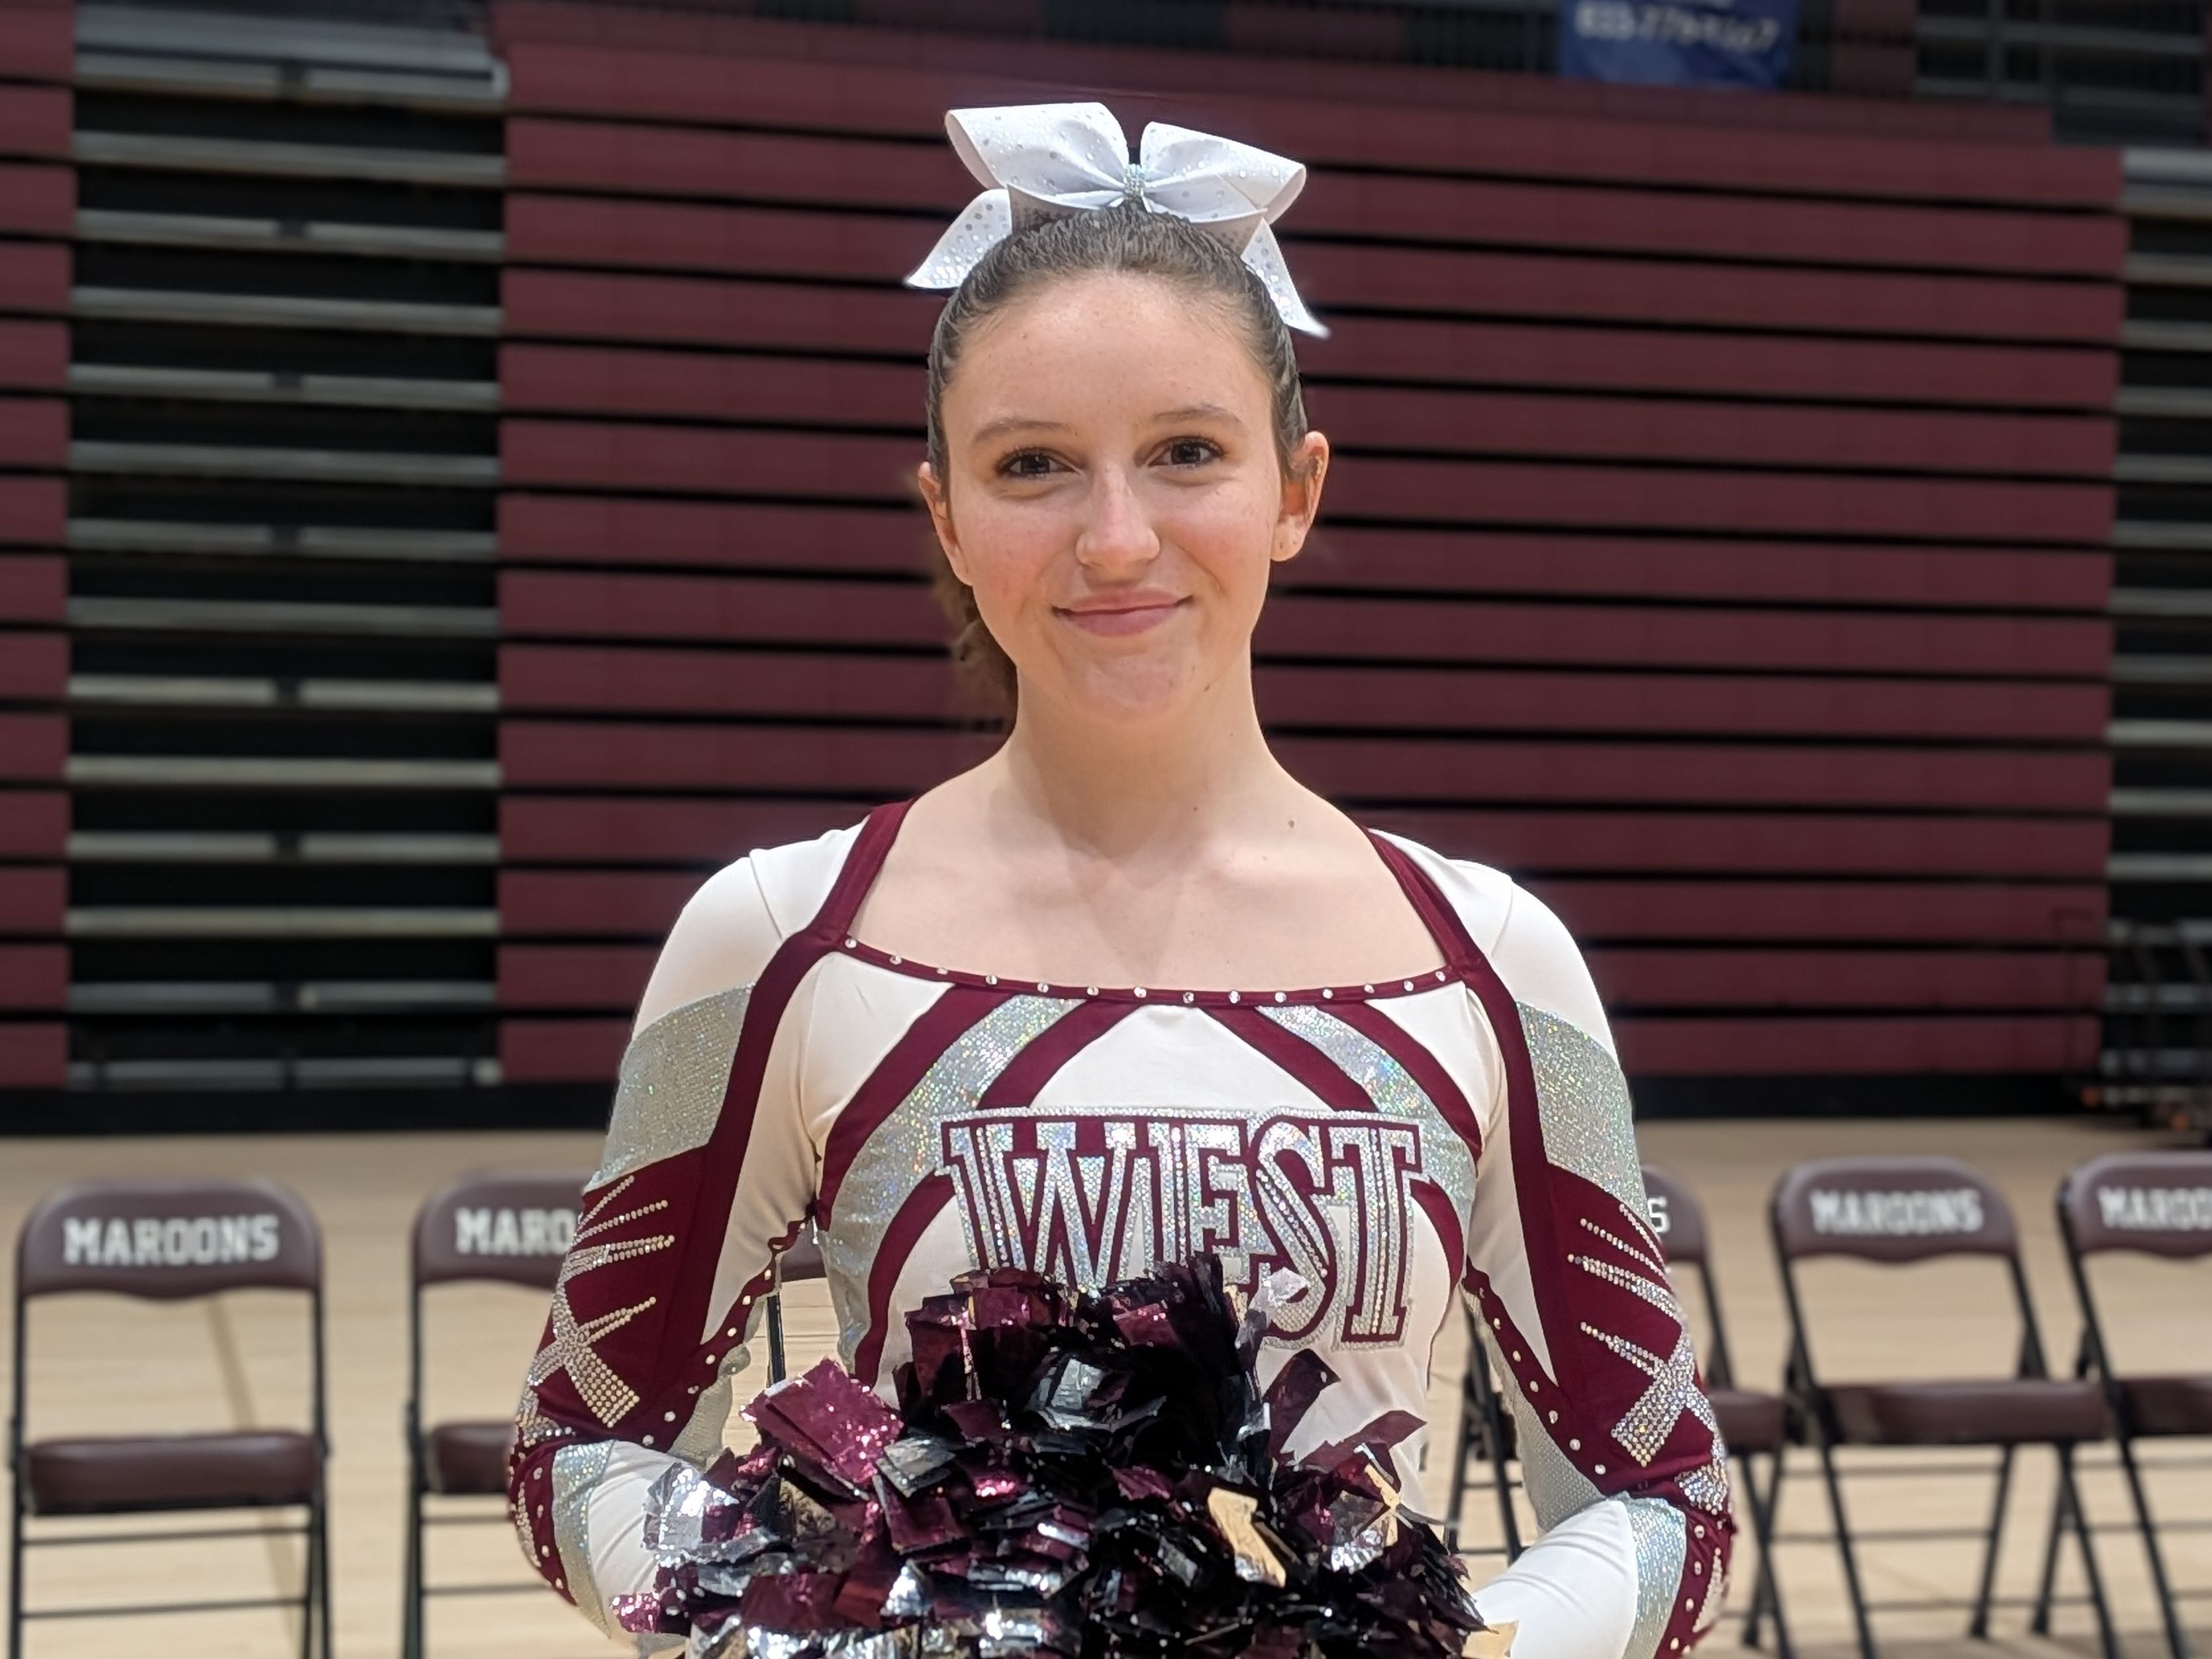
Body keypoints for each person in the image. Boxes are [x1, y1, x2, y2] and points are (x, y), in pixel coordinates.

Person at [506, 104, 1731, 1659]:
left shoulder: (1491, 959)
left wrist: (1452, 1646)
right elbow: (579, 1445)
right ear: (948, 517)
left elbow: (1665, 1494)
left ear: (1296, 489)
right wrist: (815, 1632)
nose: (1116, 536)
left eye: (1187, 453)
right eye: (1034, 465)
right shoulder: (781, 937)